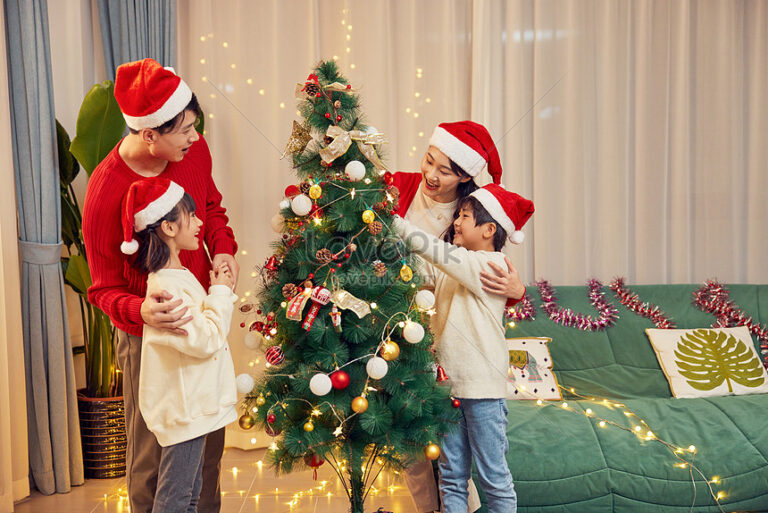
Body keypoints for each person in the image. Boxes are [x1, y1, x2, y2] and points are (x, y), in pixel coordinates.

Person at [82, 58, 238, 513]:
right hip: (144, 336)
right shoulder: (105, 191)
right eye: (185, 129)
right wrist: (141, 313)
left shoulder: (195, 152)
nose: (195, 137)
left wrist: (222, 247)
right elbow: (103, 288)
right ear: (149, 134)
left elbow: (212, 206)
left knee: (206, 445)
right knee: (155, 451)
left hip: (200, 319)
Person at [394, 121, 525, 513]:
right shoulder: (461, 256)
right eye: (429, 162)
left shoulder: (484, 262)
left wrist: (386, 218)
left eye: (445, 169)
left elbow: (434, 252)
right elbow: (426, 269)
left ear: (488, 230)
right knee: (447, 473)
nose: (431, 174)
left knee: (489, 476)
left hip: (479, 387)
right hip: (444, 380)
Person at [122, 177, 238, 512]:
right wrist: (220, 292)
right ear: (169, 227)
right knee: (176, 498)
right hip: (185, 412)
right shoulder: (166, 290)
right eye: (193, 215)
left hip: (193, 409)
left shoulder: (179, 277)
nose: (201, 222)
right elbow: (207, 339)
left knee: (190, 494)